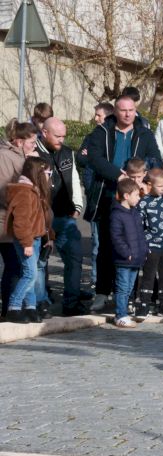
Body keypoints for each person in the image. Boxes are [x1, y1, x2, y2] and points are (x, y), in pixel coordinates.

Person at [84, 96, 162, 314]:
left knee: (133, 245)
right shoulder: (101, 132)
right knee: (105, 247)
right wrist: (117, 175)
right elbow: (94, 158)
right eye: (123, 110)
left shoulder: (144, 133)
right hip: (108, 195)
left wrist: (143, 175)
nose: (128, 114)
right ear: (115, 112)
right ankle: (102, 292)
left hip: (135, 198)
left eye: (131, 110)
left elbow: (156, 159)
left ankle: (130, 295)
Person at [33, 117, 86, 317]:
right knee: (41, 262)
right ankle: (41, 302)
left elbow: (74, 178)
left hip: (65, 215)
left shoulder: (66, 152)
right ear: (45, 133)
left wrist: (77, 206)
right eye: (57, 136)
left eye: (64, 136)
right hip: (41, 216)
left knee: (75, 257)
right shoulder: (33, 153)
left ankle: (71, 302)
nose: (61, 140)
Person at [4, 157, 53, 324]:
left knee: (30, 274)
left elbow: (43, 218)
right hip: (28, 240)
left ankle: (30, 307)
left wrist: (49, 236)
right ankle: (14, 307)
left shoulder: (35, 191)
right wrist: (27, 243)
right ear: (37, 173)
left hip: (36, 238)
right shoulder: (24, 192)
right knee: (30, 274)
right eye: (47, 172)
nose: (49, 175)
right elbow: (21, 222)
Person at [0, 120, 38, 319]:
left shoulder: (22, 156)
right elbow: (4, 190)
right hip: (6, 220)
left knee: (16, 267)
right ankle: (9, 309)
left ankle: (16, 308)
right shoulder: (6, 156)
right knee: (14, 266)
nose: (35, 145)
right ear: (20, 142)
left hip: (15, 220)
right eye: (32, 142)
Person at [77, 102, 114, 297]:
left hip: (109, 195)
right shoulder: (91, 136)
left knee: (111, 243)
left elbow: (103, 162)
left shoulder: (114, 138)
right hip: (93, 196)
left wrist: (92, 157)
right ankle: (96, 281)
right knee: (96, 243)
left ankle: (112, 284)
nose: (95, 118)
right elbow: (81, 158)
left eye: (99, 115)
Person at [109, 178, 147, 328]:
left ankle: (123, 312)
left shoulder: (135, 213)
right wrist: (126, 252)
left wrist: (143, 250)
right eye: (136, 195)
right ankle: (120, 315)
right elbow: (116, 237)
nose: (139, 198)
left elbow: (140, 235)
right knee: (123, 288)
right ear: (126, 196)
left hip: (136, 258)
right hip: (124, 259)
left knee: (129, 288)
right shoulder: (117, 214)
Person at [136, 169, 163, 318]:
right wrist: (142, 244)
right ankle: (144, 305)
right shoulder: (144, 202)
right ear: (150, 185)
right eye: (160, 186)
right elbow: (139, 224)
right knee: (148, 276)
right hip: (151, 245)